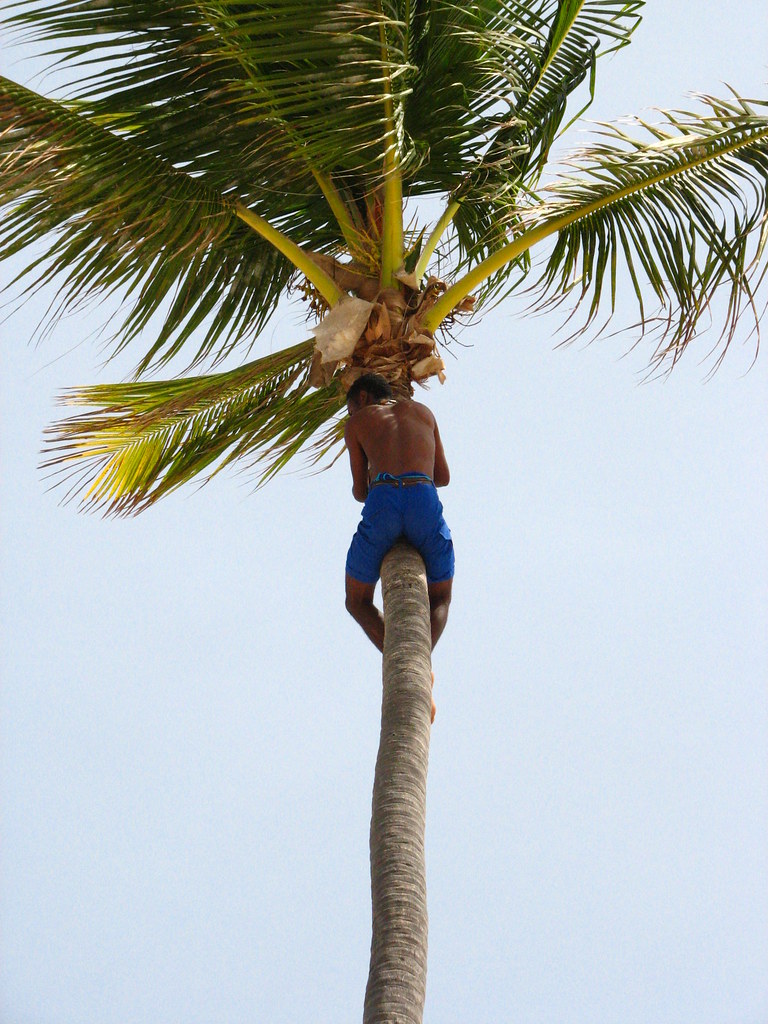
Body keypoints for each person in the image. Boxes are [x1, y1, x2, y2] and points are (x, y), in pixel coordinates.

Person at [344, 373, 454, 687]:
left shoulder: (358, 422)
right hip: (423, 497)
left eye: (351, 408)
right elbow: (443, 476)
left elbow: (359, 491)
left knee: (357, 601)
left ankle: (403, 659)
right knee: (441, 598)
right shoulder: (423, 412)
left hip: (384, 500)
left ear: (363, 398)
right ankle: (421, 660)